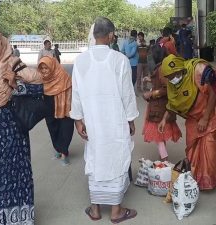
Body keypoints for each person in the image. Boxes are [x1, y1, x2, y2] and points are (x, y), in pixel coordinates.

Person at [70, 17, 139, 223]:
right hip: (115, 121)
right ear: (110, 36)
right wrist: (131, 119)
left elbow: (76, 93)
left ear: (94, 35)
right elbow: (127, 95)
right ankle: (116, 212)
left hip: (92, 121)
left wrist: (78, 119)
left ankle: (95, 210)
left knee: (95, 157)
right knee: (117, 158)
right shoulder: (120, 60)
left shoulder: (80, 61)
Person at [0, 28, 42, 225]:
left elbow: (41, 84)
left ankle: (22, 219)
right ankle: (5, 219)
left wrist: (15, 86)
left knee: (18, 171)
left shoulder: (12, 63)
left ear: (1, 44)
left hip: (11, 126)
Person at [158, 54, 216, 190]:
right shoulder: (172, 85)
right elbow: (172, 103)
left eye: (174, 74)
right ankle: (195, 178)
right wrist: (164, 119)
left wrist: (205, 118)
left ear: (180, 68)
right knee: (192, 148)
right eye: (169, 77)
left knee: (210, 148)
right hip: (193, 119)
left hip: (210, 115)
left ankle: (208, 181)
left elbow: (214, 92)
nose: (172, 79)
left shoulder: (198, 70)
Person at [142, 45, 182, 161]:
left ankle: (164, 160)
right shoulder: (162, 67)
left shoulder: (161, 69)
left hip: (160, 107)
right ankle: (163, 159)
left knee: (158, 137)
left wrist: (151, 94)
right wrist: (150, 79)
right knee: (160, 134)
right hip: (161, 106)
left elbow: (167, 88)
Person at [38, 56, 74, 166]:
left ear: (53, 66)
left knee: (65, 127)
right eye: (42, 68)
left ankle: (64, 153)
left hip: (63, 107)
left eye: (46, 68)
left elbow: (71, 92)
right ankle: (58, 149)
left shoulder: (63, 76)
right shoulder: (41, 79)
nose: (44, 71)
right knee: (52, 127)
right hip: (49, 106)